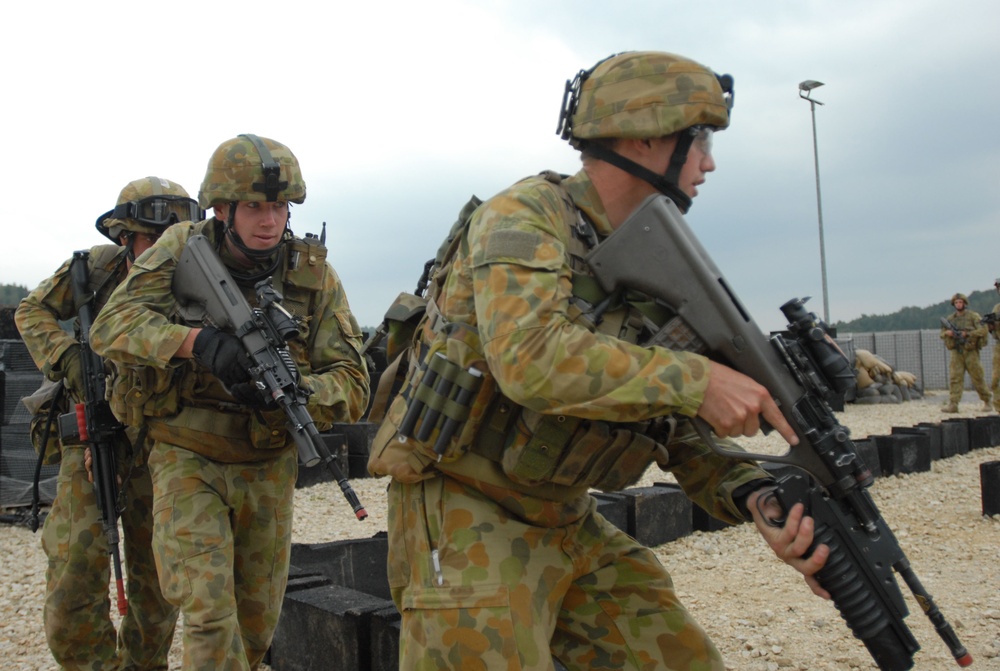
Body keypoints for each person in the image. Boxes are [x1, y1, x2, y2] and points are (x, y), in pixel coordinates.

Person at [368, 51, 829, 670]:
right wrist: (699, 379)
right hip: (465, 506)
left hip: (565, 514)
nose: (708, 163)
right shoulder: (526, 215)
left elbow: (671, 423)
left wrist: (756, 497)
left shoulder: (652, 256)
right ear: (645, 135)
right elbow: (530, 358)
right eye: (699, 140)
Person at [90, 134, 370, 670]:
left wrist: (296, 393)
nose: (270, 220)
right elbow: (113, 326)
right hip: (186, 453)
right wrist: (197, 345)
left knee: (255, 626)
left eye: (279, 207)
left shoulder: (313, 276)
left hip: (267, 464)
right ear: (222, 209)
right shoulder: (179, 248)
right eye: (254, 207)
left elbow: (354, 380)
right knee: (210, 617)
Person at [15, 176, 198, 670]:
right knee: (73, 582)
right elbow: (33, 312)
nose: (165, 250)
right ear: (125, 237)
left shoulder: (200, 283)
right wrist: (67, 357)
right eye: (151, 240)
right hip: (91, 438)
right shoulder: (95, 270)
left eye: (176, 239)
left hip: (162, 447)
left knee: (157, 590)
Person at [939, 292, 990, 413]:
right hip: (957, 351)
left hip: (970, 351)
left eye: (960, 302)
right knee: (955, 378)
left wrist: (967, 334)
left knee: (977, 377)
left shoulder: (973, 316)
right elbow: (942, 333)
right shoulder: (951, 319)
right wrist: (947, 333)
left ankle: (987, 401)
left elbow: (983, 330)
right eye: (956, 302)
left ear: (965, 303)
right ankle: (953, 404)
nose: (958, 304)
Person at [987, 279, 1000, 413]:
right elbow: (993, 331)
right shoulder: (997, 308)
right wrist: (990, 326)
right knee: (996, 379)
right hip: (999, 346)